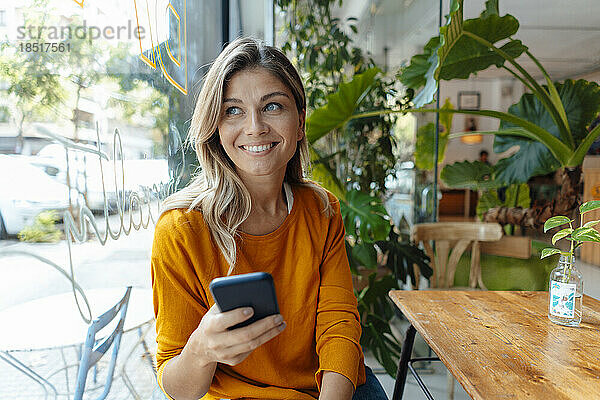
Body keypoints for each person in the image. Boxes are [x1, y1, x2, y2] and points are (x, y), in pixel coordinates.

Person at [151, 37, 387, 400]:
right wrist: (202, 350)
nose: (255, 126)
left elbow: (338, 324)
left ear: (300, 121)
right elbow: (178, 388)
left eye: (273, 106)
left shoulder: (322, 210)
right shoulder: (181, 229)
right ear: (214, 126)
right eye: (233, 110)